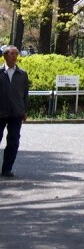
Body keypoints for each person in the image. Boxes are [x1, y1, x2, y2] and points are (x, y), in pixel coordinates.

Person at [0, 46, 29, 177]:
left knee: (13, 141)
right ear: (4, 56)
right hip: (0, 112)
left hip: (16, 112)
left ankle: (7, 169)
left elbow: (25, 94)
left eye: (16, 54)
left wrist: (24, 110)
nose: (14, 57)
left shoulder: (22, 74)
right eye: (11, 54)